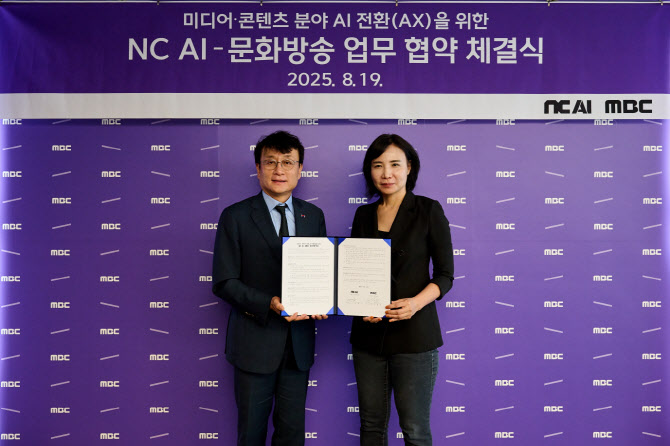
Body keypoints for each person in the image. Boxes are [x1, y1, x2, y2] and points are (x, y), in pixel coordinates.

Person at [212, 130, 327, 446]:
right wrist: (270, 303)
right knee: (251, 435)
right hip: (254, 344)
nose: (279, 170)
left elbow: (320, 273)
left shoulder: (313, 216)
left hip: (298, 346)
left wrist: (325, 300)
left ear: (300, 170)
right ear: (258, 168)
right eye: (271, 162)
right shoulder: (235, 216)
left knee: (292, 436)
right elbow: (224, 282)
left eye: (287, 162)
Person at [349, 134, 454, 446]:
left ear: (409, 168)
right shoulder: (363, 215)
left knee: (415, 430)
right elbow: (355, 274)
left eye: (395, 164)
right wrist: (359, 305)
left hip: (414, 336)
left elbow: (445, 276)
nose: (387, 173)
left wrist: (415, 304)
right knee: (371, 428)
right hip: (368, 337)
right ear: (369, 171)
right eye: (378, 165)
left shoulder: (428, 210)